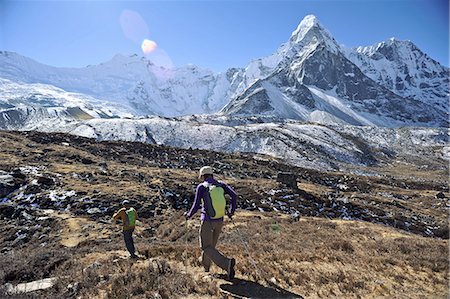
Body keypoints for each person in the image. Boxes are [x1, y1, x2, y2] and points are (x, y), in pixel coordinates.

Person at [185, 166, 237, 280]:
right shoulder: (221, 185)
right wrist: (231, 212)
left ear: (203, 176)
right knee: (211, 247)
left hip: (207, 221)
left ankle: (226, 263)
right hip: (220, 220)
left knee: (205, 246)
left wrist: (188, 215)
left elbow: (196, 205)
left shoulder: (202, 187)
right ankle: (206, 269)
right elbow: (234, 196)